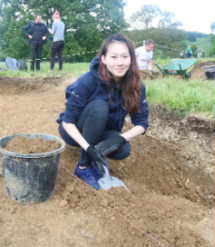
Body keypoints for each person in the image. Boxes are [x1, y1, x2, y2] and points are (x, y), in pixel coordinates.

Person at [55, 33, 149, 190]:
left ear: (132, 58)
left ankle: (97, 154)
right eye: (113, 57)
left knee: (123, 150)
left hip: (104, 130)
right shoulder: (89, 81)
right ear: (104, 59)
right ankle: (83, 167)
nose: (120, 62)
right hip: (74, 131)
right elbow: (68, 121)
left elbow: (142, 123)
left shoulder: (137, 87)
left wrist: (120, 139)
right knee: (99, 106)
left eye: (125, 56)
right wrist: (88, 148)